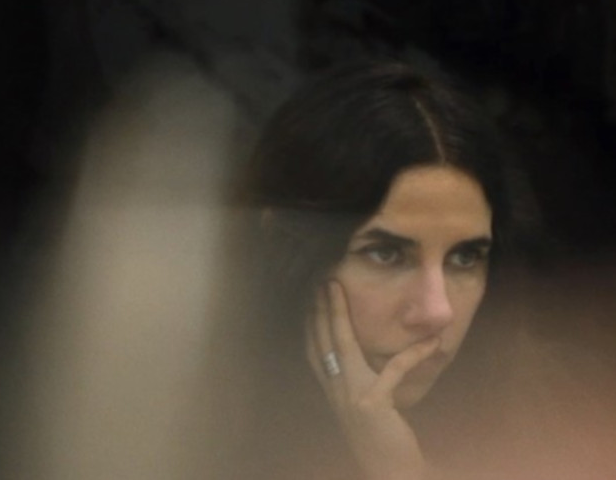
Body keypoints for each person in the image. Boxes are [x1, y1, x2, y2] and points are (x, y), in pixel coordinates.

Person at [206, 58, 536, 480]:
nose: (437, 312)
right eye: (386, 254)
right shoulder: (171, 425)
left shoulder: (564, 421)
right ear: (283, 249)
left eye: (465, 258)